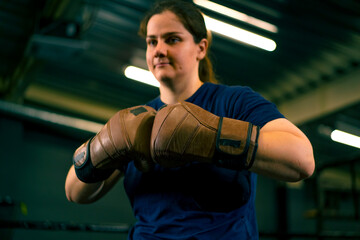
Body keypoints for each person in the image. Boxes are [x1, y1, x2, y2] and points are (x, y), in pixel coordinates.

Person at [65, 0, 315, 239]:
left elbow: (302, 159)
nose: (159, 50)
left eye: (172, 39)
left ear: (201, 48)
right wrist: (105, 149)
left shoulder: (233, 101)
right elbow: (74, 192)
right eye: (152, 42)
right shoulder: (136, 120)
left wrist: (208, 137)